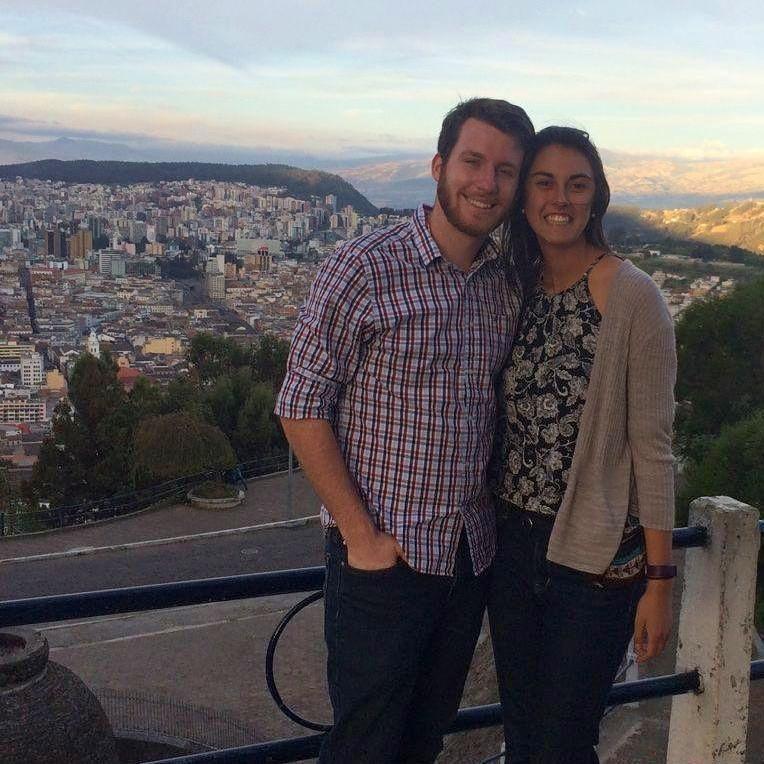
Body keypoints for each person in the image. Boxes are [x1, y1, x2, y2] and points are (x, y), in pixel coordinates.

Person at [275, 97, 534, 763]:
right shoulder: (363, 266)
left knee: (424, 742)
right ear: (439, 165)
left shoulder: (504, 285)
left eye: (505, 170)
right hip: (383, 560)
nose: (486, 182)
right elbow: (301, 405)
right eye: (473, 162)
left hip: (467, 556)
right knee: (365, 745)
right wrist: (361, 537)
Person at [488, 126, 677, 764]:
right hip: (513, 548)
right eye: (544, 182)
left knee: (563, 743)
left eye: (577, 184)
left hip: (596, 560)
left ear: (596, 196)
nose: (559, 199)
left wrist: (659, 580)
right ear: (523, 197)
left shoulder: (634, 297)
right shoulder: (513, 286)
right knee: (523, 735)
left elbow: (653, 448)